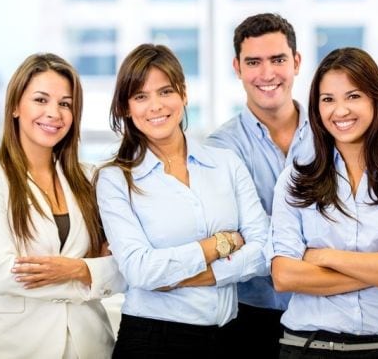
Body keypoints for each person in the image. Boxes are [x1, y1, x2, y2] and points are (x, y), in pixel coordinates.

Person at [95, 43, 269, 358]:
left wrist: (203, 275)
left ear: (183, 95)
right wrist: (221, 244)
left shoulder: (226, 163)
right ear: (125, 107)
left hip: (229, 337)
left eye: (165, 92)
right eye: (140, 96)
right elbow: (140, 271)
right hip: (153, 339)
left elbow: (265, 249)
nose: (155, 106)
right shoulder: (115, 179)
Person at [269, 47, 378, 359]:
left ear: (376, 99)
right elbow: (285, 276)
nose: (340, 110)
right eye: (328, 99)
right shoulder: (295, 179)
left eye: (353, 96)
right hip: (308, 349)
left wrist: (323, 256)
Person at [0, 53, 125, 358]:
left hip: (90, 347)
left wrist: (76, 269)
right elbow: (4, 273)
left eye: (65, 103)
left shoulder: (91, 179)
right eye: (40, 100)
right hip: (18, 347)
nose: (54, 113)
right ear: (14, 107)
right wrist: (89, 274)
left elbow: (124, 268)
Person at [206, 13, 314, 358]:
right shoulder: (219, 149)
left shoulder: (333, 134)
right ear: (237, 67)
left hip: (325, 313)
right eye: (254, 62)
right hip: (248, 320)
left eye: (278, 60)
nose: (267, 74)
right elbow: (231, 238)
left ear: (296, 62)